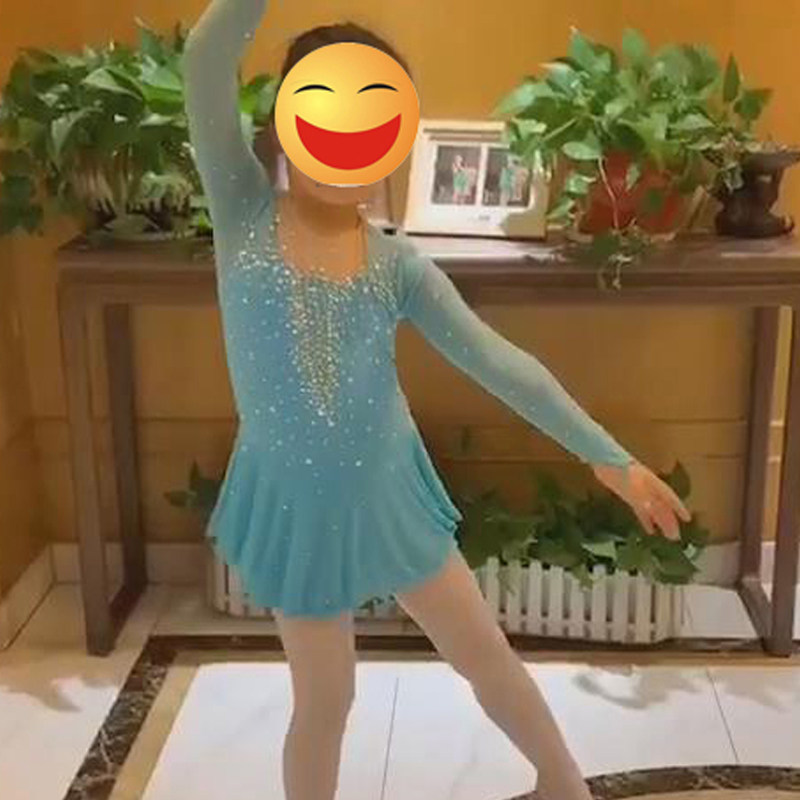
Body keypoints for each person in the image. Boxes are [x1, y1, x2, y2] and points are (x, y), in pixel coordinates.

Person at [182, 2, 690, 799]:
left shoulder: (398, 267)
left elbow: (502, 364)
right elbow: (207, 58)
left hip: (390, 490)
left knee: (483, 655)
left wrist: (608, 457)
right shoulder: (243, 213)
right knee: (326, 699)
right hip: (292, 504)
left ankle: (564, 783)